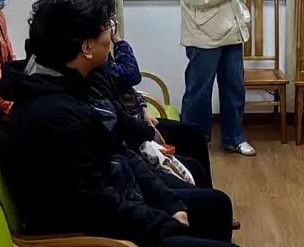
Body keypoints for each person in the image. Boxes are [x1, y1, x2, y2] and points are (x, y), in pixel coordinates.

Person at [1, 0, 255, 247]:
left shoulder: (69, 85)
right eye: (107, 27)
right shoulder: (52, 116)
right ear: (86, 47)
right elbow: (96, 206)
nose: (113, 33)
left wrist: (170, 205)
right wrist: (164, 222)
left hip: (107, 215)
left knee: (213, 207)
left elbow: (118, 154)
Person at [90, 26, 213, 189]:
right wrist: (118, 41)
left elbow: (129, 90)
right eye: (107, 27)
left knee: (195, 133)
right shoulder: (95, 70)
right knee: (194, 164)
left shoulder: (103, 60)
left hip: (141, 120)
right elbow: (132, 75)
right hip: (134, 133)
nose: (111, 30)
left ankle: (204, 193)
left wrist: (144, 109)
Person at [176, 0, 255, 156]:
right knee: (199, 93)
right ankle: (193, 143)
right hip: (204, 37)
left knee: (234, 89)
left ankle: (234, 138)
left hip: (231, 32)